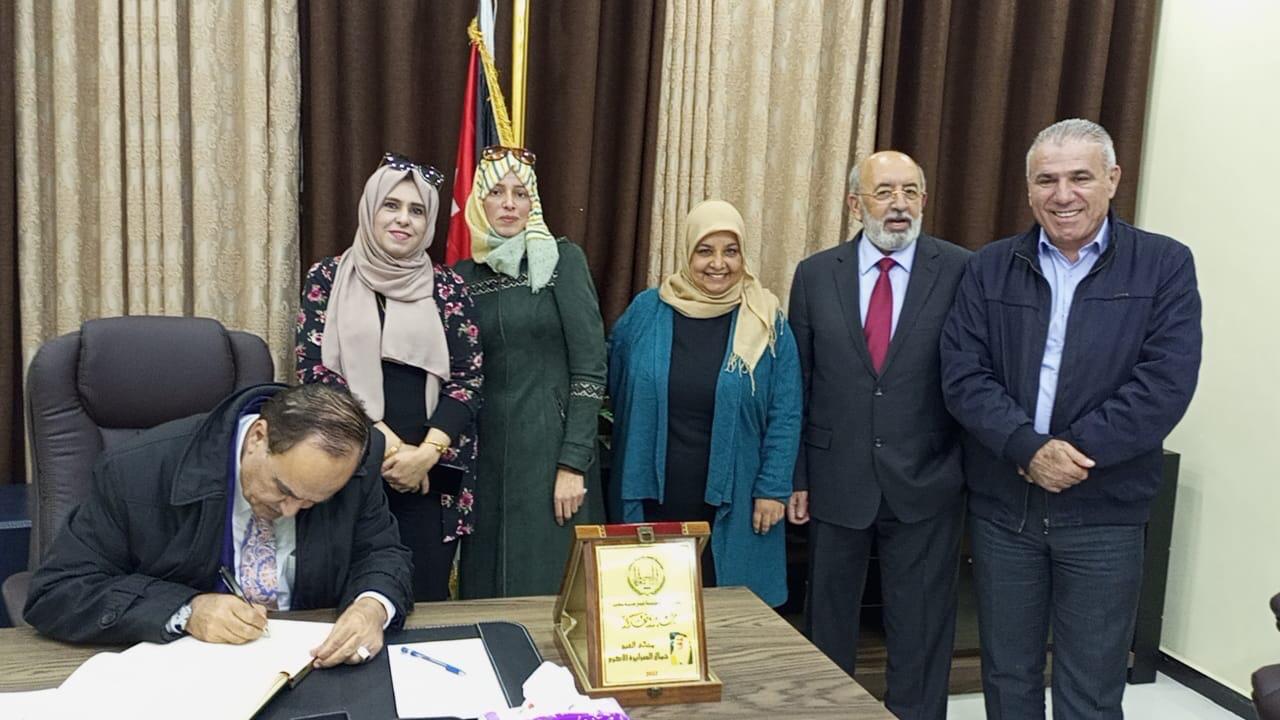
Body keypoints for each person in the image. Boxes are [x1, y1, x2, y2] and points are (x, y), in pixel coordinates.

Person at [941, 118, 1202, 719]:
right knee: (1007, 676)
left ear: (1112, 179)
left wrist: (1068, 454)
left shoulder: (1164, 264)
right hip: (1005, 510)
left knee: (1091, 686)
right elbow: (962, 373)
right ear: (1029, 189)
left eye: (1080, 177)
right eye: (1047, 180)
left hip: (1105, 512)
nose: (1063, 195)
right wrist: (1026, 448)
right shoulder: (988, 267)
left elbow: (1164, 383)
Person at [24, 383, 414, 668]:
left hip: (308, 667)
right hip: (183, 673)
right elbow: (59, 591)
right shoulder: (136, 471)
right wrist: (187, 610)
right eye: (283, 489)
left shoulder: (356, 467)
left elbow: (381, 553)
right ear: (258, 437)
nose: (292, 510)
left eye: (314, 501)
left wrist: (371, 607)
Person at [788, 151, 970, 719]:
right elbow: (800, 383)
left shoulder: (961, 270)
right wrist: (797, 476)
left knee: (921, 627)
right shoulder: (815, 274)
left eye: (910, 191)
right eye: (885, 191)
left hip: (928, 478)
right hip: (835, 475)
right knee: (828, 624)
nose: (899, 204)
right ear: (854, 203)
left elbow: (975, 376)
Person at [296, 153, 483, 602]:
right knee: (347, 603)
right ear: (370, 209)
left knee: (424, 602)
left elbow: (468, 379)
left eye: (417, 210)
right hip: (348, 465)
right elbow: (315, 372)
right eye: (391, 205)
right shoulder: (328, 277)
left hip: (429, 477)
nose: (403, 219)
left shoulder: (449, 288)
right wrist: (392, 450)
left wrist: (425, 456)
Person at [608, 200, 801, 607]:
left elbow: (786, 412)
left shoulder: (767, 321)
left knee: (728, 612)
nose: (718, 263)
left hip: (737, 495)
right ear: (687, 253)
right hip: (655, 495)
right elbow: (612, 375)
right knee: (650, 607)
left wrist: (773, 488)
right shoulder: (647, 310)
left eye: (731, 251)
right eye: (705, 250)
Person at [453, 145, 607, 598]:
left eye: (520, 194)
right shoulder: (462, 276)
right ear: (479, 200)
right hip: (484, 460)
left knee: (548, 587)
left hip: (550, 457)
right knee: (486, 590)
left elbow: (590, 367)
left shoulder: (561, 260)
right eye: (496, 192)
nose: (508, 204)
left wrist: (572, 463)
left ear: (533, 203)